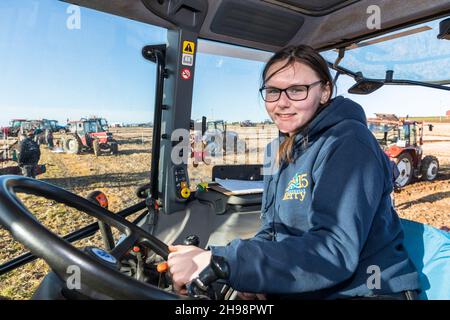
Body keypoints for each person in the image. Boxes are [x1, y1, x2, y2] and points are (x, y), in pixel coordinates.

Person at [168, 45, 420, 300]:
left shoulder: (349, 143)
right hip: (309, 285)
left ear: (324, 92)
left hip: (364, 290)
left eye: (297, 90)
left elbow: (335, 251)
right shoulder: (275, 150)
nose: (282, 103)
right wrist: (254, 277)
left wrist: (227, 262)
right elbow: (272, 230)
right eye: (273, 91)